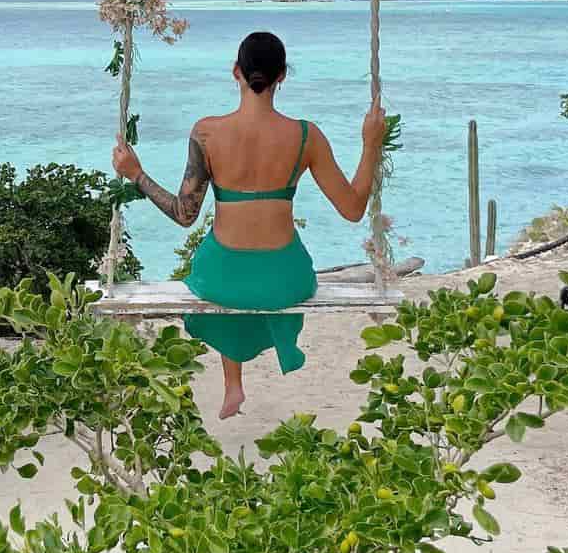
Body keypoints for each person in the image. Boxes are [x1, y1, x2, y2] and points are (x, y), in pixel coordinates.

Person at [111, 30, 386, 420]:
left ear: (236, 71)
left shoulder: (207, 132)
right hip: (285, 280)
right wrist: (371, 143)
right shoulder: (306, 136)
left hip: (222, 279)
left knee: (222, 266)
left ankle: (233, 383)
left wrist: (136, 173)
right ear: (282, 76)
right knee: (253, 273)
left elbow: (184, 215)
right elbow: (353, 208)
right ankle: (234, 384)